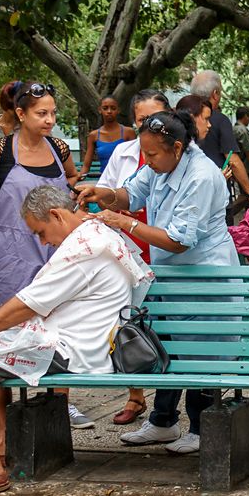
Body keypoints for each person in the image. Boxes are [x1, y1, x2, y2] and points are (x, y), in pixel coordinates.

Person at [0, 186, 148, 496]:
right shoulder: (95, 234)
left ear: (56, 215)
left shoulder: (85, 248)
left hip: (76, 348)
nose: (44, 242)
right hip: (82, 339)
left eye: (42, 232)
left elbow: (28, 303)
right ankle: (3, 445)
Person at [76, 109, 240, 455]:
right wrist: (102, 193)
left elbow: (180, 239)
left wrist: (125, 224)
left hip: (204, 274)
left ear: (177, 148)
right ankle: (163, 420)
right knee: (164, 342)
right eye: (144, 153)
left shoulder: (201, 176)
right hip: (171, 273)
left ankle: (199, 425)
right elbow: (130, 194)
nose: (147, 160)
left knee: (202, 352)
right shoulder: (157, 165)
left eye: (152, 154)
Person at [0, 82, 88, 427]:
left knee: (60, 325)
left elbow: (71, 178)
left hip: (57, 252)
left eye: (53, 113)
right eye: (41, 113)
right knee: (8, 327)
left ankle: (60, 401)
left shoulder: (59, 147)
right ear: (21, 114)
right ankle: (3, 415)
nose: (50, 120)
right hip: (14, 254)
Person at [95, 88, 170, 426]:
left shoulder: (179, 157)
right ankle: (136, 394)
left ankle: (165, 412)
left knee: (169, 324)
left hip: (166, 247)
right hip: (130, 248)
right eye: (142, 121)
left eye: (155, 119)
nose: (149, 127)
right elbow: (108, 194)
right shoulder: (124, 154)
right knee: (128, 321)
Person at [190, 70, 249, 210]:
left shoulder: (179, 117)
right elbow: (232, 160)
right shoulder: (220, 120)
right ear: (215, 94)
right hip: (216, 194)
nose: (208, 125)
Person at [80, 96, 135, 178]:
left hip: (125, 178)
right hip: (103, 179)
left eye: (113, 108)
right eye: (105, 108)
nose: (109, 111)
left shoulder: (128, 132)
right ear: (100, 110)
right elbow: (86, 166)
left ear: (118, 110)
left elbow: (135, 159)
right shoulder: (94, 135)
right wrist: (79, 177)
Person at [233, 106, 249, 187]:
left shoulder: (233, 129)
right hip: (246, 167)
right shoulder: (243, 130)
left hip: (237, 165)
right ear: (245, 116)